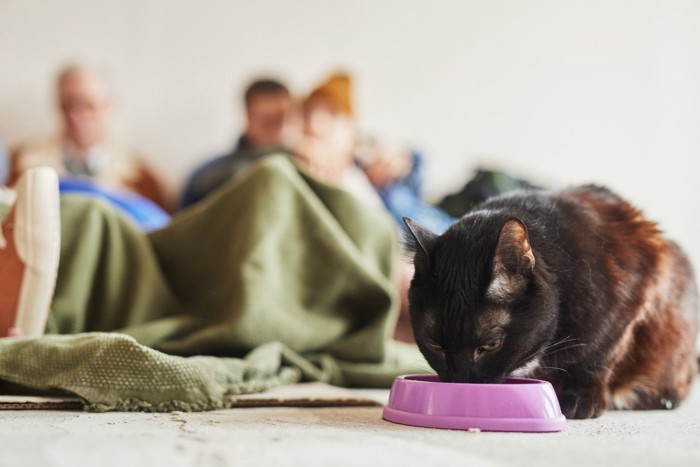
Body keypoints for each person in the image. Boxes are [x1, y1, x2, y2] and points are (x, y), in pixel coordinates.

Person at [9, 64, 170, 212]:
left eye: (88, 105)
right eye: (67, 105)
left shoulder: (143, 180)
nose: (76, 116)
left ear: (108, 106)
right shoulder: (18, 164)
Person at [179, 78, 301, 209]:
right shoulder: (209, 175)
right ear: (248, 117)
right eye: (268, 121)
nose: (279, 130)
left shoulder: (310, 165)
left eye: (285, 120)